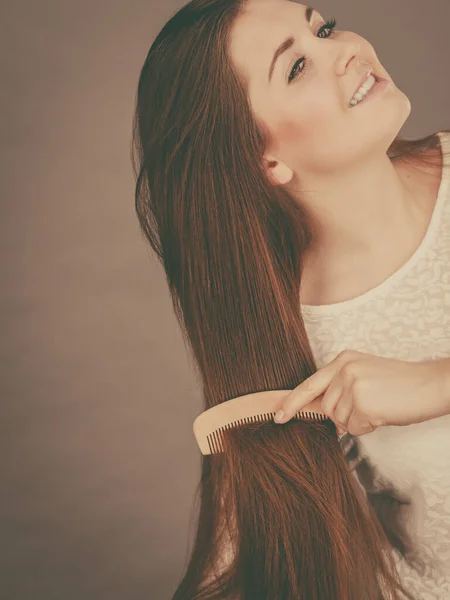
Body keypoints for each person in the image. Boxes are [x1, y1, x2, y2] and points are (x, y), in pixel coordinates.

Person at [131, 0, 450, 597]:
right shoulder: (280, 332)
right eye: (297, 67)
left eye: (323, 27)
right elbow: (237, 555)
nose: (346, 48)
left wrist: (436, 384)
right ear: (263, 158)